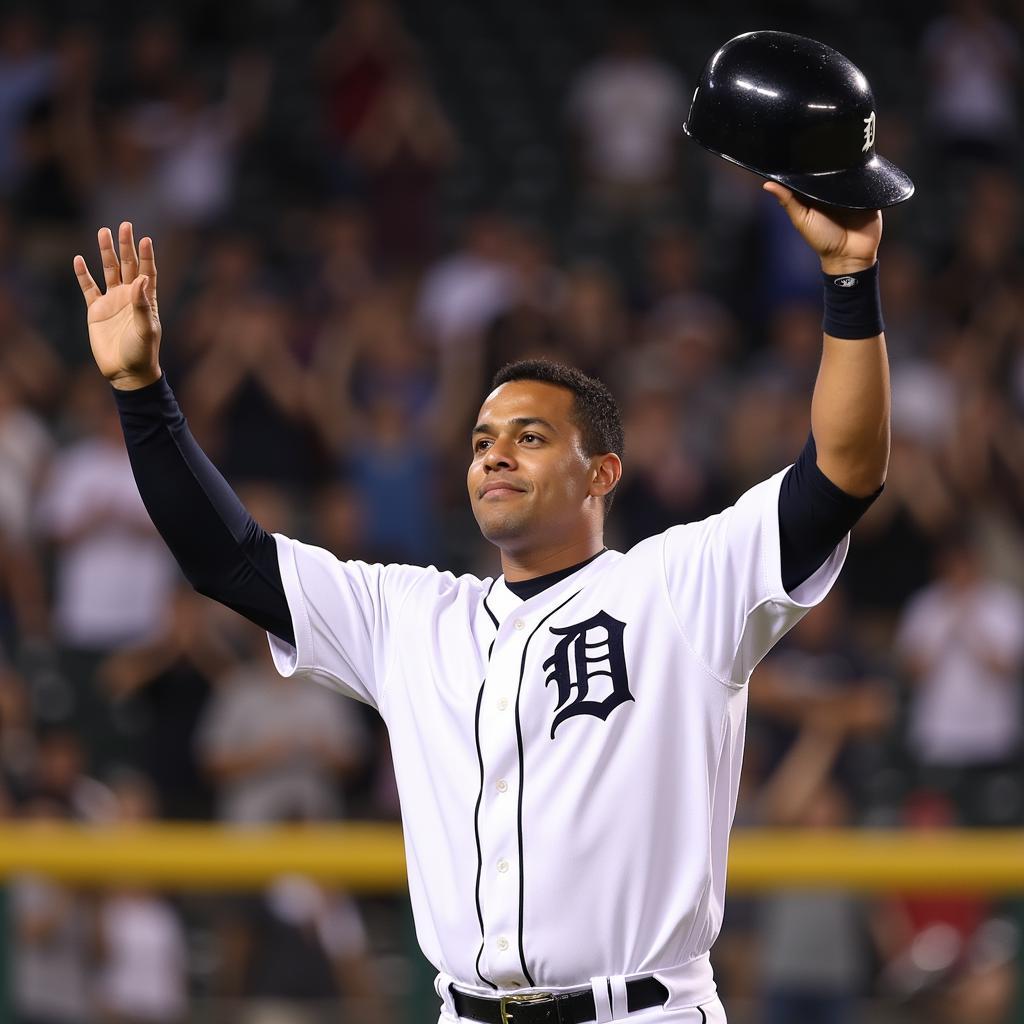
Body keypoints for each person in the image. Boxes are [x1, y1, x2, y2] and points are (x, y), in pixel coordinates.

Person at [73, 180, 890, 1023]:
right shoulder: (411, 616)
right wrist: (141, 392)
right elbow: (228, 561)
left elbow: (843, 474)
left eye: (530, 437)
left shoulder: (675, 586)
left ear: (602, 473)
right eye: (480, 443)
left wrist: (848, 280)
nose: (495, 455)